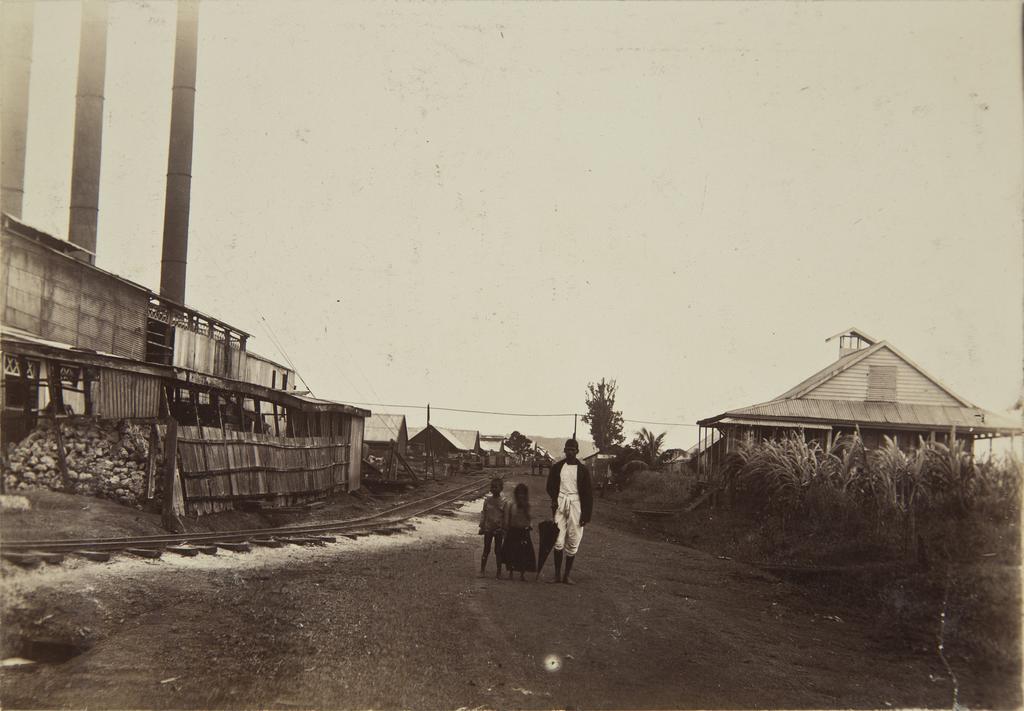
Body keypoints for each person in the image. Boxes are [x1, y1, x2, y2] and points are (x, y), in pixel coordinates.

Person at [545, 438, 594, 585]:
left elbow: (588, 494)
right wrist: (555, 499)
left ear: (577, 451)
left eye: (573, 450)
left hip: (576, 504)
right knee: (557, 540)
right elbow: (550, 486)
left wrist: (585, 515)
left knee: (574, 538)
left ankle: (567, 575)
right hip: (561, 503)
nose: (570, 452)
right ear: (564, 450)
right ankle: (556, 575)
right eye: (567, 449)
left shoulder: (583, 470)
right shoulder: (558, 467)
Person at [501, 483, 537, 581]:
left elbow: (530, 519)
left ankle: (522, 574)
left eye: (523, 493)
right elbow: (508, 518)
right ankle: (511, 573)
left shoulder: (528, 506)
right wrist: (506, 528)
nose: (521, 495)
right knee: (511, 553)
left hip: (523, 532)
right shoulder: (511, 505)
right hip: (513, 531)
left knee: (523, 554)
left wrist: (530, 525)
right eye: (519, 493)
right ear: (516, 494)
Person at [478, 477, 508, 577]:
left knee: (498, 551)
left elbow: (505, 517)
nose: (494, 489)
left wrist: (504, 529)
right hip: (488, 528)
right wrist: (482, 526)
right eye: (492, 487)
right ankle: (482, 570)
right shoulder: (487, 500)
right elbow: (483, 513)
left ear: (501, 488)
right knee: (486, 549)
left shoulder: (504, 502)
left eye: (496, 487)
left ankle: (498, 572)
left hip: (498, 530)